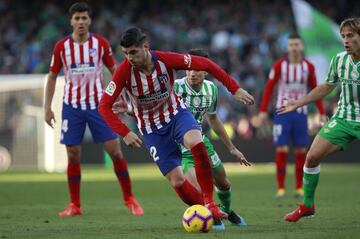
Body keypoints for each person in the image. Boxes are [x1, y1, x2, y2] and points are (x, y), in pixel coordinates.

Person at [98, 27, 255, 220]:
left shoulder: (166, 60)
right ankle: (206, 212)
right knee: (177, 180)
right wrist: (124, 132)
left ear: (145, 48)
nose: (129, 58)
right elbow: (104, 106)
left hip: (176, 115)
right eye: (125, 54)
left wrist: (235, 89)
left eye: (133, 52)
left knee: (197, 143)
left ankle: (211, 204)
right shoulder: (123, 72)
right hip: (151, 129)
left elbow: (206, 64)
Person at [44, 2, 143, 217]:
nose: (80, 22)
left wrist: (123, 97)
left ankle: (130, 199)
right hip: (72, 106)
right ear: (71, 21)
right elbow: (52, 76)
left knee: (115, 152)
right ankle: (75, 205)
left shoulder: (100, 44)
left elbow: (116, 70)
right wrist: (47, 107)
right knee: (73, 155)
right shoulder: (62, 47)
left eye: (84, 18)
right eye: (77, 18)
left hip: (99, 106)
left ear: (90, 20)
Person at [278, 17, 360, 222]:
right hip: (343, 118)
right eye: (343, 36)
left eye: (351, 36)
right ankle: (307, 205)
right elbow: (326, 87)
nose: (346, 41)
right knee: (312, 157)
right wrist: (298, 103)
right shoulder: (339, 60)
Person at [174, 48, 251, 229]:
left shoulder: (211, 89)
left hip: (201, 142)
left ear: (205, 70)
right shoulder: (175, 87)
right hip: (179, 148)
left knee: (224, 183)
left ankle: (227, 211)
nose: (193, 73)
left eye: (197, 69)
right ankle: (211, 216)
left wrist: (232, 148)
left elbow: (213, 118)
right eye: (190, 69)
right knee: (199, 190)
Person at [257, 33, 327, 198]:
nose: (294, 48)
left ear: (301, 47)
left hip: (301, 113)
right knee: (281, 148)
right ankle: (281, 188)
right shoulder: (279, 65)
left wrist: (322, 112)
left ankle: (298, 187)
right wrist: (262, 111)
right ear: (287, 47)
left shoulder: (308, 67)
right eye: (291, 45)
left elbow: (315, 89)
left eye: (297, 44)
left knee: (301, 150)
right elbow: (269, 88)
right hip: (282, 112)